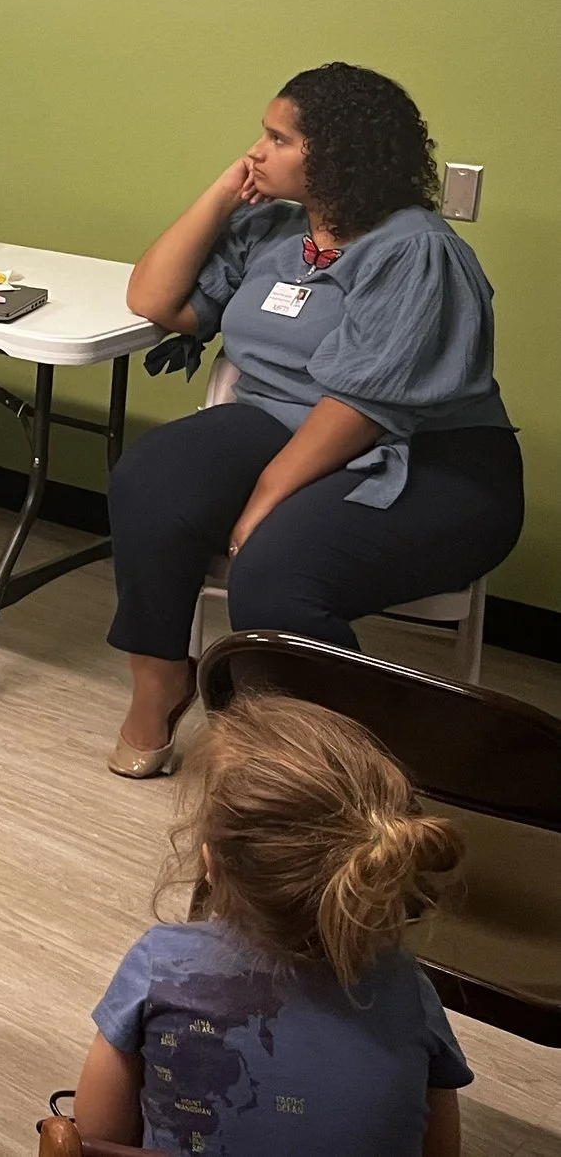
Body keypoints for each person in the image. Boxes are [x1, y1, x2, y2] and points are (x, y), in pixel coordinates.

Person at [106, 64, 519, 777]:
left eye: (277, 138)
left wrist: (263, 499)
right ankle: (161, 683)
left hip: (434, 458)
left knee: (274, 575)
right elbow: (154, 298)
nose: (256, 151)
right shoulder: (275, 227)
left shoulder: (415, 249)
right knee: (152, 475)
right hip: (289, 425)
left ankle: (353, 772)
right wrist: (220, 195)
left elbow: (366, 406)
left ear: (338, 154)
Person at [74, 694, 469, 1154]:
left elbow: (95, 1136)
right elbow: (443, 1148)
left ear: (212, 864)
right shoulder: (407, 987)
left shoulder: (161, 964)